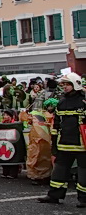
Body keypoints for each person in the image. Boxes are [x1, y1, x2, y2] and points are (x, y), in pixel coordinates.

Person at [38, 72, 86, 207]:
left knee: (83, 173)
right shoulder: (62, 101)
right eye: (63, 84)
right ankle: (54, 195)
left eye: (67, 84)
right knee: (59, 171)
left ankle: (84, 199)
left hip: (82, 144)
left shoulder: (84, 101)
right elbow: (57, 124)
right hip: (63, 143)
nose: (64, 87)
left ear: (75, 84)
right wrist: (54, 143)